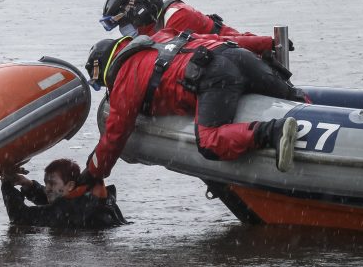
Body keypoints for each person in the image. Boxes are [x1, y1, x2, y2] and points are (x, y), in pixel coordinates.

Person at [80, 31, 305, 188]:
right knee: (295, 99)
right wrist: (265, 42)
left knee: (209, 142)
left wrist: (91, 173)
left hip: (215, 75)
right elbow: (220, 38)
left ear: (102, 68)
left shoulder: (125, 78)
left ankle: (272, 132)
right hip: (238, 55)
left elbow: (114, 138)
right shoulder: (162, 36)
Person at [0, 158, 127, 229]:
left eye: (52, 183)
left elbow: (20, 217)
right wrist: (27, 184)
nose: (48, 188)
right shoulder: (87, 201)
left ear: (70, 185)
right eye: (46, 183)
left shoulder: (68, 210)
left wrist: (6, 185)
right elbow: (52, 203)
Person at [100, 0, 258, 38]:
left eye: (125, 23)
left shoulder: (177, 15)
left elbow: (163, 56)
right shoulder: (151, 29)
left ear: (138, 11)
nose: (124, 30)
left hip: (239, 50)